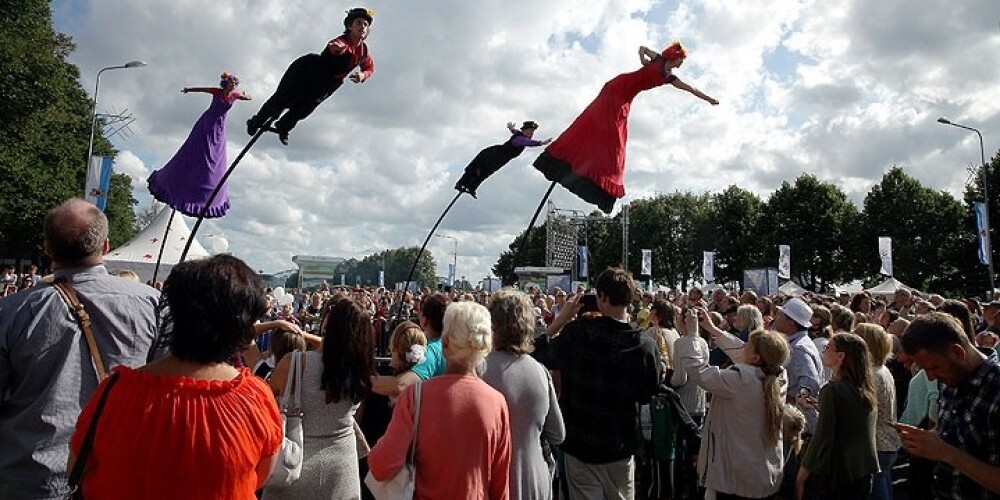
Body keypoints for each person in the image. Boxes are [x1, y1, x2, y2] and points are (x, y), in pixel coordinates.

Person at [67, 254, 282, 498]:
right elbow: (260, 475)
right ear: (241, 324)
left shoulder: (114, 391)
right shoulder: (254, 398)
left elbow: (76, 467)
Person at [0, 199, 159, 498]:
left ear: (47, 249)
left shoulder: (11, 311)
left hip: (32, 477)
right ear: (106, 245)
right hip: (117, 474)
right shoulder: (152, 305)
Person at [533, 41, 718, 214]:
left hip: (625, 97)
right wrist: (643, 61)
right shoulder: (658, 60)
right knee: (610, 133)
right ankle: (566, 158)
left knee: (616, 140)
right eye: (681, 60)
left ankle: (596, 177)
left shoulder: (669, 77)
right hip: (618, 87)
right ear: (674, 57)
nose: (682, 63)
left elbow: (691, 89)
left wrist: (709, 99)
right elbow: (642, 48)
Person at [532, 267, 660, 499]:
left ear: (602, 297)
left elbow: (536, 354)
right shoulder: (645, 346)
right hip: (618, 446)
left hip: (580, 445)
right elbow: (647, 393)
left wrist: (561, 319)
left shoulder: (576, 334)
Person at [369, 302, 511, 499]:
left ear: (445, 344)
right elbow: (500, 486)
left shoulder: (415, 397)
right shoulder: (497, 403)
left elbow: (381, 466)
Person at [264, 295, 375, 499]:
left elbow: (266, 405)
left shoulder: (295, 363)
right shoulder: (357, 369)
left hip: (294, 463)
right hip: (343, 466)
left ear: (328, 323)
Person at [676, 318, 795, 499]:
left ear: (755, 357)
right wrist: (714, 329)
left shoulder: (740, 378)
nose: (743, 346)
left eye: (748, 345)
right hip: (764, 473)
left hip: (736, 477)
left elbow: (698, 371)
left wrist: (692, 336)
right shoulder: (778, 375)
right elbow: (745, 353)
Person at [894, 312, 1000, 498]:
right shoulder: (951, 379)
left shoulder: (995, 389)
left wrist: (946, 452)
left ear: (958, 352)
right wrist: (926, 440)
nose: (930, 377)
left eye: (933, 367)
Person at [246, 7, 374, 145]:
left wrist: (362, 75)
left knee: (305, 108)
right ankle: (257, 120)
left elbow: (369, 67)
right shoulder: (343, 41)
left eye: (365, 24)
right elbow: (334, 45)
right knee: (284, 98)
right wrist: (336, 48)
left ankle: (284, 126)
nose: (362, 27)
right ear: (350, 26)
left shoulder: (363, 52)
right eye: (359, 23)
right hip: (308, 72)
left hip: (327, 83)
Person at [482, 290, 565, 500]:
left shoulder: (478, 371)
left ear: (493, 325)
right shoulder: (540, 372)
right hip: (533, 479)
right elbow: (557, 433)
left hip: (490, 480)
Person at [146, 72, 251, 218]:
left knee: (215, 153)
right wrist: (188, 89)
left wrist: (246, 96)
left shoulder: (234, 95)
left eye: (235, 84)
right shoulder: (217, 92)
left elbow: (247, 98)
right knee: (201, 148)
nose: (233, 86)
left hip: (219, 125)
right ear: (226, 84)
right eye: (231, 84)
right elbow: (202, 89)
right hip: (208, 122)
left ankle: (208, 183)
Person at [796, 333, 879, 499]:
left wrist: (801, 475)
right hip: (863, 469)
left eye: (827, 348)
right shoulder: (864, 387)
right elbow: (849, 418)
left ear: (841, 356)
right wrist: (820, 406)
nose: (823, 351)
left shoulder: (832, 390)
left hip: (839, 474)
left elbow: (822, 438)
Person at [854, 323, 901, 500]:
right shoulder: (882, 369)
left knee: (877, 491)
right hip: (887, 440)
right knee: (884, 485)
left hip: (878, 443)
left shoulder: (871, 373)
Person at [371, 293, 449, 397]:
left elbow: (400, 386)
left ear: (424, 319)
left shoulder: (431, 352)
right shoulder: (450, 346)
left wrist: (361, 380)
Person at [454, 121, 553, 198]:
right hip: (491, 155)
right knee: (476, 169)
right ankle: (460, 184)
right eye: (530, 131)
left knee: (485, 173)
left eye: (533, 132)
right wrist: (541, 143)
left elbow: (515, 132)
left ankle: (472, 187)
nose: (532, 133)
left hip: (498, 160)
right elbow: (528, 142)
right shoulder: (520, 139)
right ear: (525, 130)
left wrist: (511, 128)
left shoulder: (519, 134)